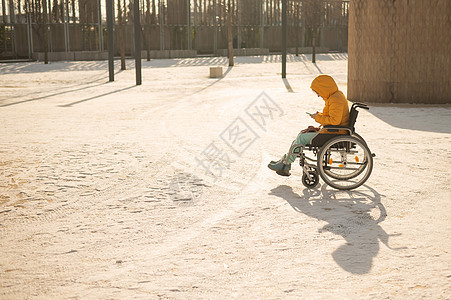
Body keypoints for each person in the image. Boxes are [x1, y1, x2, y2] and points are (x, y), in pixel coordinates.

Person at [268, 75, 350, 176]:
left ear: (324, 88)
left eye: (318, 92)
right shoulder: (335, 97)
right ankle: (285, 160)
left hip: (333, 133)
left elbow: (334, 121)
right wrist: (318, 119)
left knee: (301, 139)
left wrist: (317, 117)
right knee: (300, 135)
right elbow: (333, 118)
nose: (318, 95)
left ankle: (286, 164)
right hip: (332, 131)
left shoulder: (335, 99)